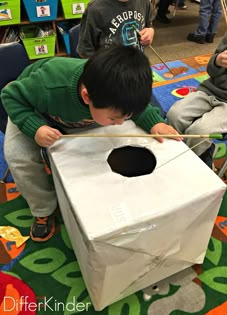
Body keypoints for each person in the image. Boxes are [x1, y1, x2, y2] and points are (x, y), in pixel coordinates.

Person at [1, 45, 181, 242]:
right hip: (31, 109)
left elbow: (134, 109)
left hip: (76, 117)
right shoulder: (48, 85)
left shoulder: (114, 93)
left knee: (112, 140)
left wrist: (154, 122)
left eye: (125, 116)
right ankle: (43, 208)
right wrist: (34, 127)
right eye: (114, 118)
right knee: (18, 156)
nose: (121, 121)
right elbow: (10, 96)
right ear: (87, 96)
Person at [167, 24, 227, 168]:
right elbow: (212, 67)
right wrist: (218, 61)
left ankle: (194, 163)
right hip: (211, 90)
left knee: (200, 131)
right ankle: (174, 156)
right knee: (175, 114)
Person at [76, 0, 155, 58]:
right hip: (108, 71)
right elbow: (85, 52)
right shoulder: (95, 9)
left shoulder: (145, 2)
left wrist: (150, 31)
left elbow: (148, 24)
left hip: (136, 66)